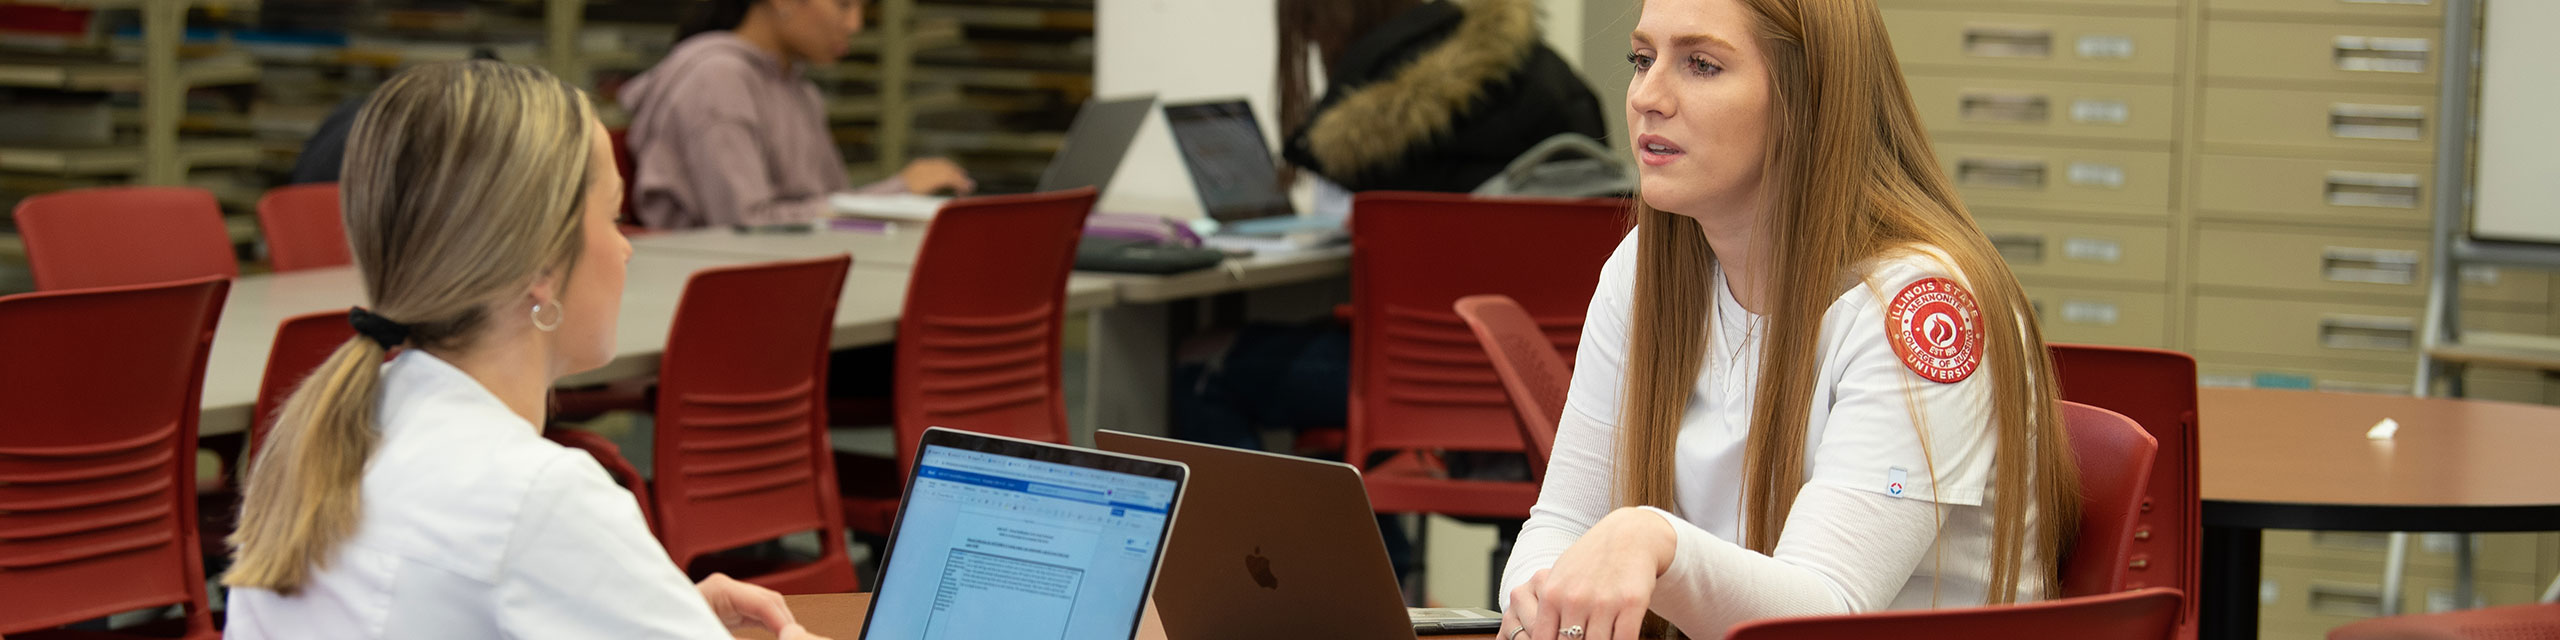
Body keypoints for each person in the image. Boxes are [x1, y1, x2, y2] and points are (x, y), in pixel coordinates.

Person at [1494, 0, 2083, 639]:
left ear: (1807, 99)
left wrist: (1652, 540)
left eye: (1701, 64)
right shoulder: (1645, 266)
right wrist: (1541, 609)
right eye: (1642, 59)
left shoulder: (1921, 306)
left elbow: (1824, 615)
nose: (1646, 96)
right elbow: (1559, 523)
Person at [222, 60, 827, 640]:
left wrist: (638, 609)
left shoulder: (324, 439)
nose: (626, 250)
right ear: (541, 264)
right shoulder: (542, 496)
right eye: (614, 218)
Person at [618, 0, 975, 230]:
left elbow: (831, 208)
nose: (855, 24)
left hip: (787, 280)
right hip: (728, 296)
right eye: (843, 4)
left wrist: (898, 198)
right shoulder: (717, 78)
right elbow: (748, 223)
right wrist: (898, 191)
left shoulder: (799, 89)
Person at [1274, 0, 1608, 193]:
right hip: (1565, 308)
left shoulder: (1367, 152)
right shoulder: (1546, 75)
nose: (1312, 38)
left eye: (1310, 25)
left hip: (1426, 310)